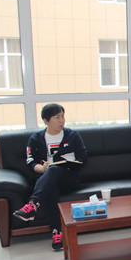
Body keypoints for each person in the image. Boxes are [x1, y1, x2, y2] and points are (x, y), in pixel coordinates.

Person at [13, 103, 87, 251]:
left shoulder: (72, 135)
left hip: (69, 179)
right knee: (50, 187)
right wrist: (42, 168)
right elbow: (30, 161)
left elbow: (82, 157)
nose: (62, 120)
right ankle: (57, 232)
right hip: (47, 180)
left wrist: (68, 164)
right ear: (46, 121)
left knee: (53, 170)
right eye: (57, 117)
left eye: (63, 117)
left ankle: (33, 204)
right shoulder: (36, 139)